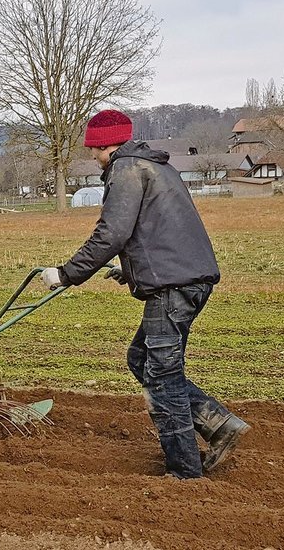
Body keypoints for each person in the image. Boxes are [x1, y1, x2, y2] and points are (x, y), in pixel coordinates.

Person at [41, 109, 249, 478]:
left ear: (105, 144)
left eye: (93, 148)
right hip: (187, 280)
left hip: (173, 288)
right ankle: (218, 424)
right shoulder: (157, 166)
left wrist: (66, 274)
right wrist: (133, 269)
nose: (92, 155)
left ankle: (184, 470)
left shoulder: (126, 169)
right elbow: (160, 227)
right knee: (141, 359)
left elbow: (112, 233)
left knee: (161, 375)